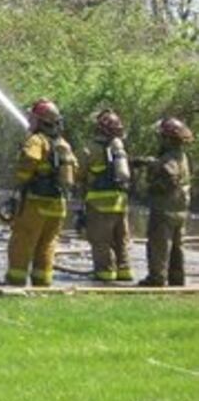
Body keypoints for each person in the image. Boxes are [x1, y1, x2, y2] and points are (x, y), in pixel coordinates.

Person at [3, 98, 78, 287]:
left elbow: (29, 160)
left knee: (23, 239)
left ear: (40, 120)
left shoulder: (37, 140)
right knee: (48, 243)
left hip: (37, 202)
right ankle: (42, 280)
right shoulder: (64, 144)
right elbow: (75, 168)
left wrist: (22, 177)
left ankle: (16, 278)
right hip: (58, 203)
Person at [132, 117, 194, 287]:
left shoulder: (169, 159)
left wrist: (154, 187)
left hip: (164, 208)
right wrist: (149, 162)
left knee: (158, 245)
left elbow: (170, 175)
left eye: (161, 137)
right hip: (180, 209)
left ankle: (156, 278)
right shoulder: (182, 155)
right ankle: (177, 278)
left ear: (168, 139)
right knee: (176, 247)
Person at [78, 109, 133, 283]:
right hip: (120, 203)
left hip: (99, 203)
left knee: (101, 240)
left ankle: (105, 273)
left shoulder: (90, 148)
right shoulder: (119, 148)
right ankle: (124, 271)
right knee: (121, 239)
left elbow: (79, 173)